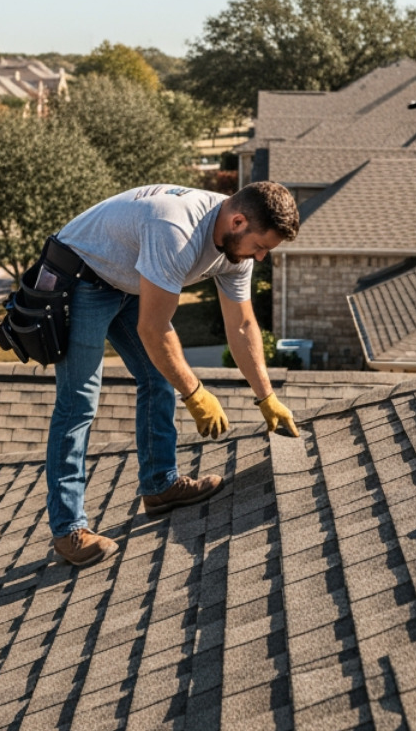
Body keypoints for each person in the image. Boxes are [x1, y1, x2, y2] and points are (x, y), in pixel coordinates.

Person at [41, 180, 301, 567]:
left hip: (128, 274)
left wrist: (267, 396)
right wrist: (195, 393)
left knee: (159, 374)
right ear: (238, 221)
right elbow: (153, 328)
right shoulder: (176, 231)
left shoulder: (236, 249)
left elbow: (243, 325)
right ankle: (68, 531)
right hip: (84, 274)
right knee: (78, 403)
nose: (260, 257)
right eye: (260, 246)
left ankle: (160, 485)